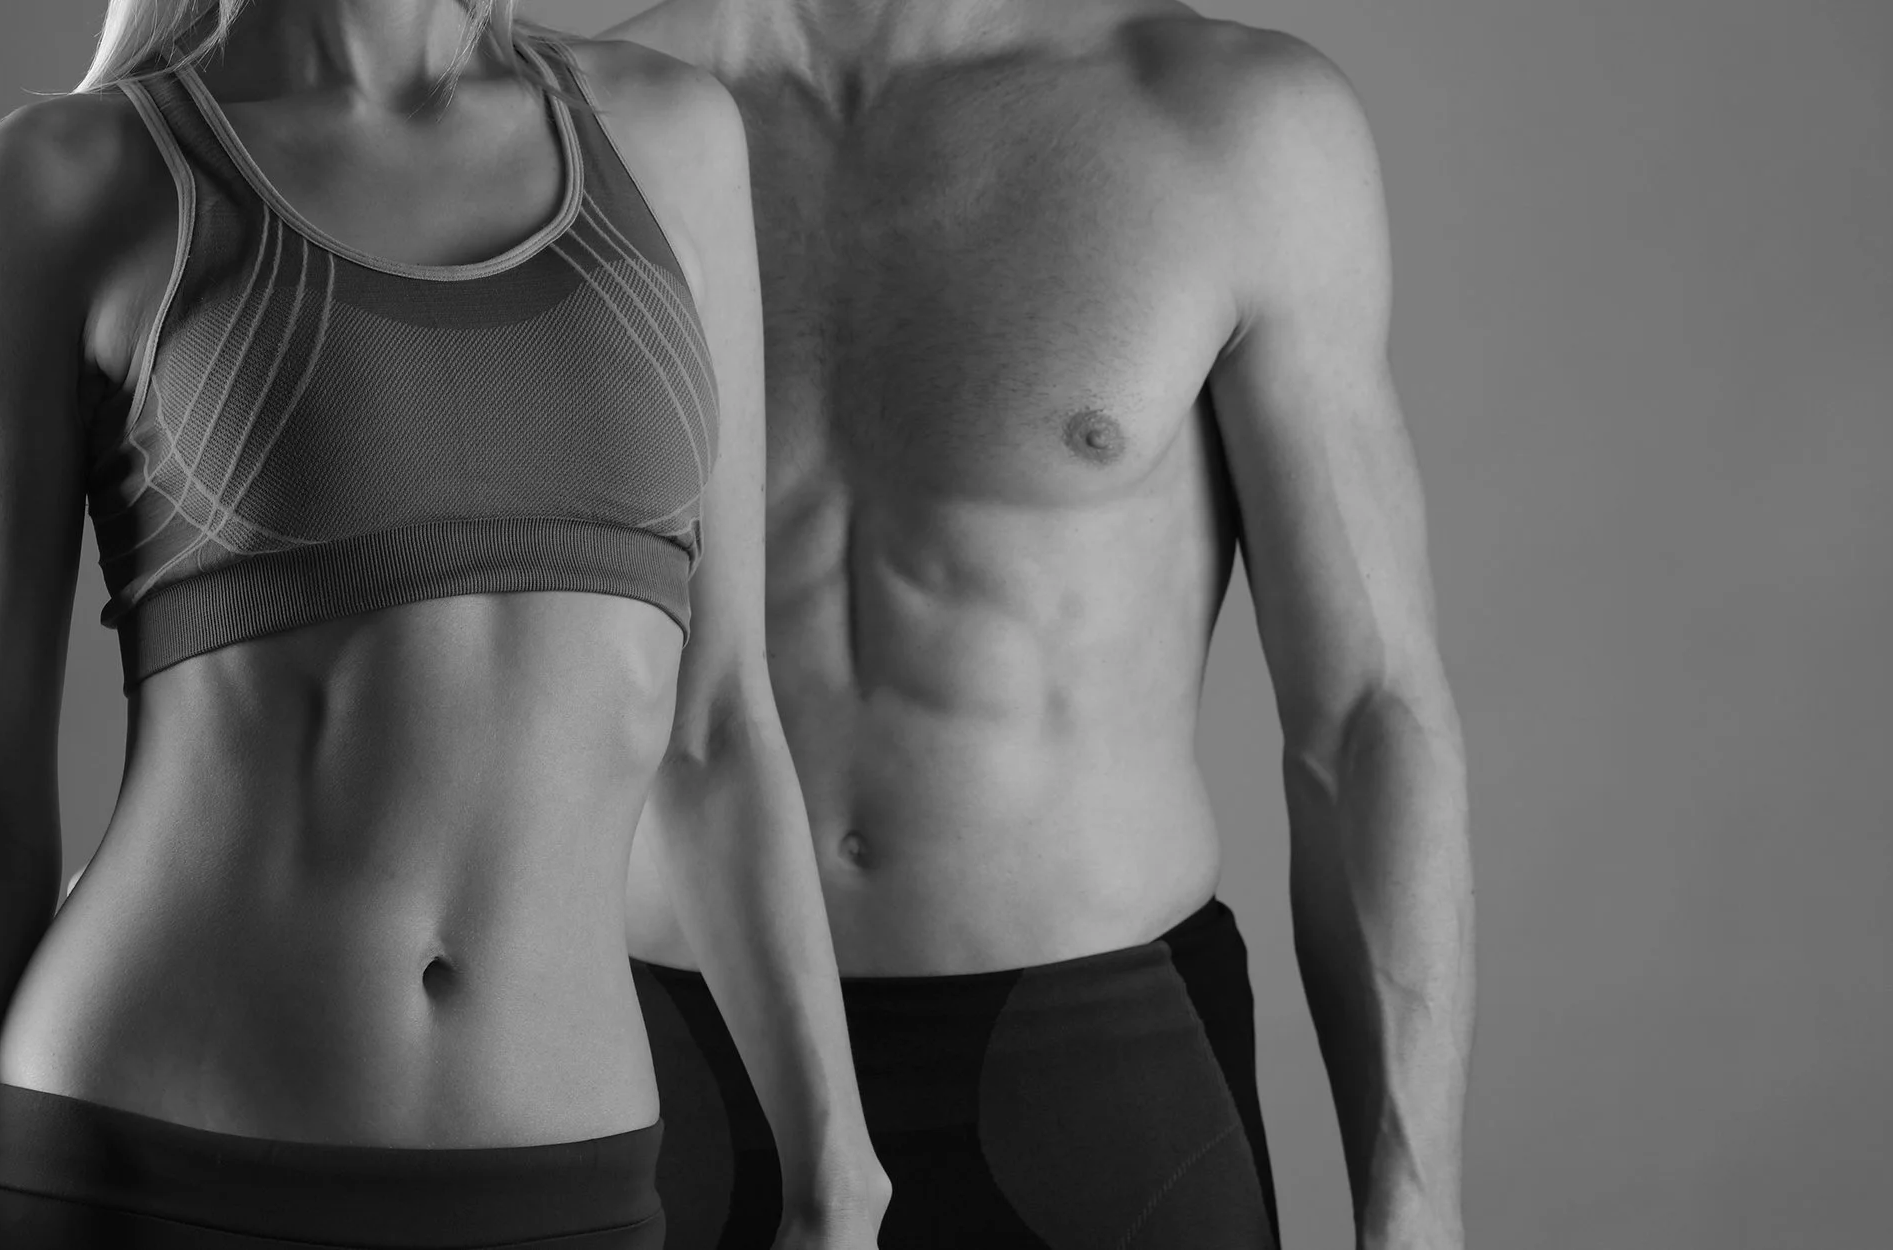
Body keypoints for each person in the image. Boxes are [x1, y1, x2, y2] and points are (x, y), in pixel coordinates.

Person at [0, 1, 890, 1246]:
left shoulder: (667, 137)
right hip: (154, 1167)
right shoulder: (63, 186)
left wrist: (837, 1170)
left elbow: (719, 726)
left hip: (560, 1190)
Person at [606, 0, 1476, 1245]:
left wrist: (1413, 1208)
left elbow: (1363, 718)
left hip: (1090, 1076)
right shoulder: (575, 124)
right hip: (660, 1059)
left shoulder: (1224, 123)